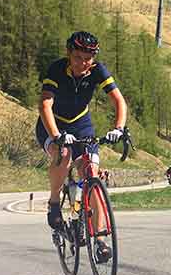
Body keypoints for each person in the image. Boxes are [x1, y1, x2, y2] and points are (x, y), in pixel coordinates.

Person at [36, 31, 127, 263]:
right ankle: (54, 202)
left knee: (91, 173)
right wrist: (56, 135)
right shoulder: (57, 69)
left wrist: (118, 128)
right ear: (69, 53)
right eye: (77, 57)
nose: (82, 63)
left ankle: (100, 239)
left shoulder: (97, 70)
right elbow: (45, 104)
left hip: (81, 124)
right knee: (63, 154)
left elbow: (119, 100)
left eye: (88, 58)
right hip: (53, 123)